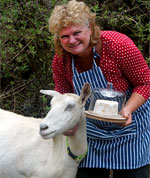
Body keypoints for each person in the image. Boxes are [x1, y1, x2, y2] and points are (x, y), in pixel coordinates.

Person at [48, 0, 150, 177]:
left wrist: (127, 109)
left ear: (90, 28)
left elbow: (145, 83)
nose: (71, 40)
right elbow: (63, 97)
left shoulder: (119, 45)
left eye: (77, 32)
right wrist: (67, 125)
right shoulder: (60, 61)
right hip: (91, 133)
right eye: (64, 36)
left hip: (129, 129)